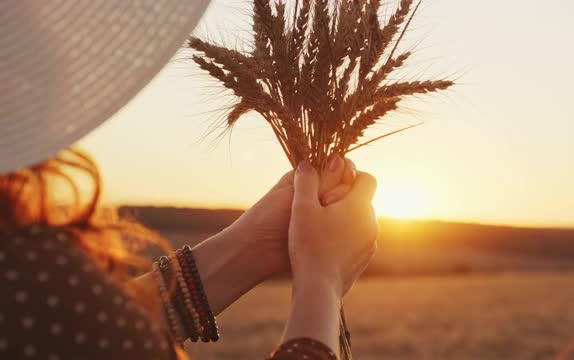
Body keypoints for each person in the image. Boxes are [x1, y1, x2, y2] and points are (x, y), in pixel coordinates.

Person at [0, 1, 379, 360]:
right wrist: (322, 283)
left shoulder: (26, 281)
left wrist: (249, 247)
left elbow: (78, 339)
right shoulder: (27, 267)